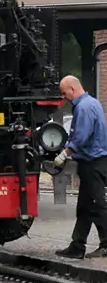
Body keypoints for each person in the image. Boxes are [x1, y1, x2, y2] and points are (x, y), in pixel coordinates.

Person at [54, 75, 107, 259]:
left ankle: (105, 244)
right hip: (94, 162)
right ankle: (77, 246)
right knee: (85, 207)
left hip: (93, 163)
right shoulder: (93, 103)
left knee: (97, 205)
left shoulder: (84, 107)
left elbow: (81, 137)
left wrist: (64, 154)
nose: (63, 98)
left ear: (72, 88)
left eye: (64, 93)